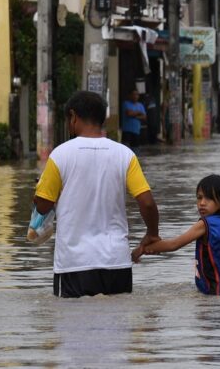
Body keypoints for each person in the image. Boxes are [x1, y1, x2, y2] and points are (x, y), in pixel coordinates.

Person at [33, 90, 160, 298]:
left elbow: (43, 206)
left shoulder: (60, 155)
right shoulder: (125, 154)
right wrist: (152, 234)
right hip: (116, 262)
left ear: (73, 117)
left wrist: (38, 193)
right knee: (117, 325)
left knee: (71, 327)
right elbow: (147, 203)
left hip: (73, 264)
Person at [132, 174, 220, 296]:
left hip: (216, 296)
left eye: (209, 198)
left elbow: (174, 245)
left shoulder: (205, 224)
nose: (202, 203)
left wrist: (143, 249)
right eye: (199, 197)